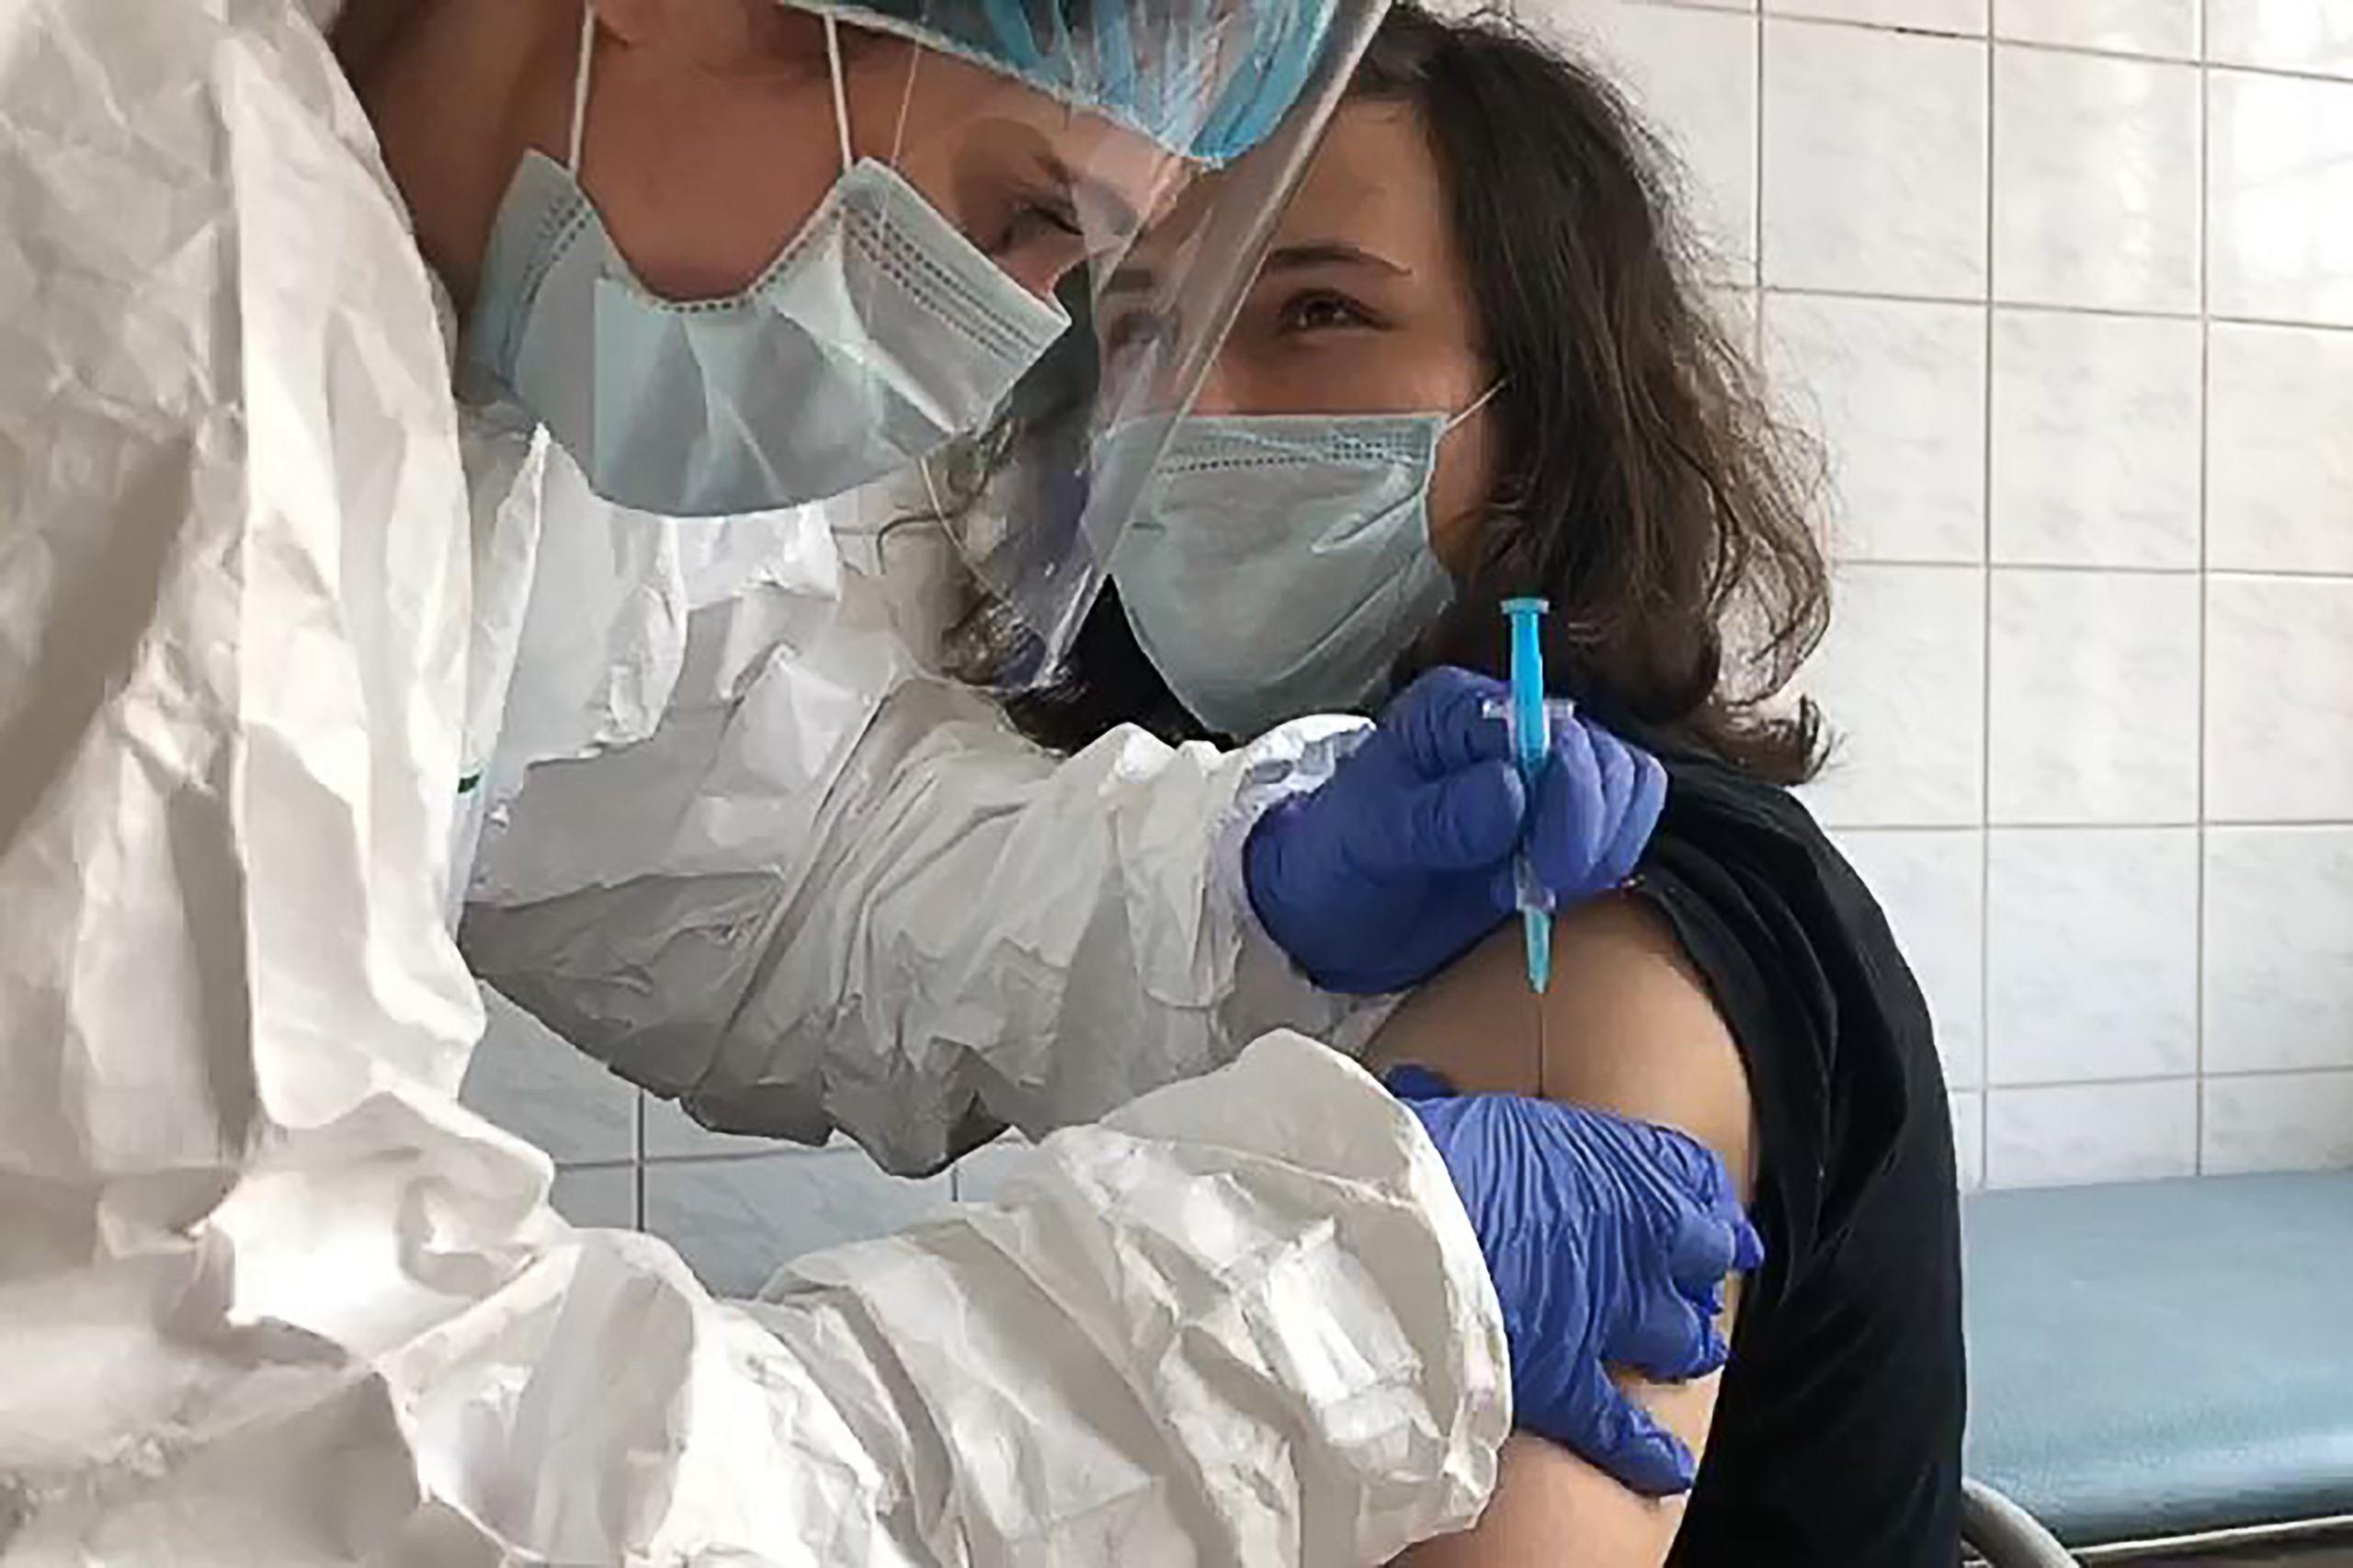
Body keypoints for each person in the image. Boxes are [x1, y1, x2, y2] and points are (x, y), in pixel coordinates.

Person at [0, 0, 1763, 1561]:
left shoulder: (468, 347)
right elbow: (263, 1452)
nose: (1007, 342)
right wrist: (1329, 1317)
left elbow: (782, 852)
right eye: (1022, 214)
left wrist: (1237, 890)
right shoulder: (139, 290)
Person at [1006, 6, 1968, 1561]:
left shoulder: (1595, 922)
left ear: (1548, 405)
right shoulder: (1222, 854)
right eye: (1144, 331)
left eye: (1317, 310)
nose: (1198, 411)